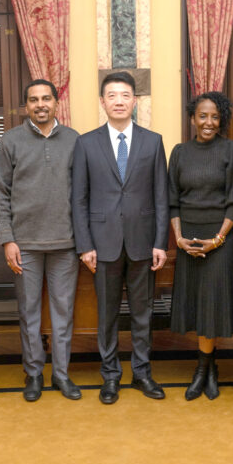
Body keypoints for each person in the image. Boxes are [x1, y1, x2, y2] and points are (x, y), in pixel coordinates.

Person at [72, 71, 169, 404]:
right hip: (102, 243)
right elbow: (79, 199)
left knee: (143, 314)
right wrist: (84, 245)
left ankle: (142, 373)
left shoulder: (153, 141)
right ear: (103, 101)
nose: (118, 100)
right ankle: (110, 376)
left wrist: (161, 242)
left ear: (135, 101)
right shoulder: (85, 143)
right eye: (111, 95)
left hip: (143, 242)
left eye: (125, 95)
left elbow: (161, 197)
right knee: (107, 314)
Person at [0, 80, 81, 402]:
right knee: (28, 314)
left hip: (65, 245)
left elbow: (82, 194)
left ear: (57, 102)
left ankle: (61, 375)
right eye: (33, 100)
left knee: (63, 314)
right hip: (25, 246)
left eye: (46, 98)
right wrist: (7, 239)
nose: (40, 104)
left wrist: (82, 242)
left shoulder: (74, 140)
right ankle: (33, 375)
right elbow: (0, 193)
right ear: (25, 106)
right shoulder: (10, 141)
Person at [168, 91, 233, 400]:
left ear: (221, 119)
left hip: (221, 238)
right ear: (192, 118)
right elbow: (172, 199)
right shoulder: (179, 152)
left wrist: (217, 240)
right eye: (203, 115)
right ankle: (206, 367)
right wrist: (178, 238)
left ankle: (206, 368)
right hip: (188, 239)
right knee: (197, 306)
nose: (209, 122)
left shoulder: (231, 150)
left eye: (215, 116)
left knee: (213, 305)